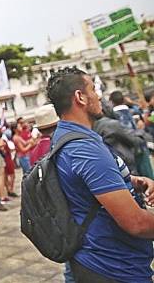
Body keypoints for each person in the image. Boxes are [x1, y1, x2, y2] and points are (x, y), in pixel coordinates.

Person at [47, 67, 154, 282]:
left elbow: (83, 182)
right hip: (113, 267)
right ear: (80, 97)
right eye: (94, 89)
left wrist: (130, 181)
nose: (98, 96)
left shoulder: (66, 135)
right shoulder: (85, 149)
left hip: (98, 260)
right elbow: (136, 223)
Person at [110, 90, 154, 179]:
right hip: (141, 146)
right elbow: (143, 123)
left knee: (136, 180)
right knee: (149, 177)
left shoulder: (113, 117)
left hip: (126, 151)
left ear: (112, 102)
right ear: (123, 99)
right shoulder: (134, 111)